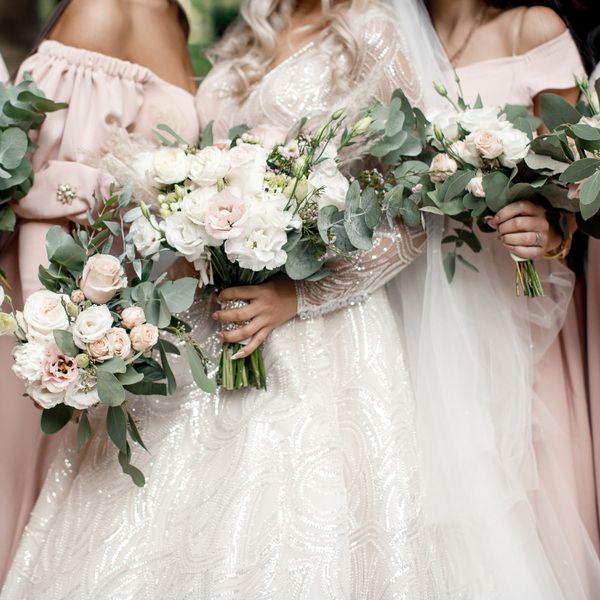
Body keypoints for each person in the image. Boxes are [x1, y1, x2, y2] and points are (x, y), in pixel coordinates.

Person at [0, 0, 197, 587]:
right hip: (64, 335)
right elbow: (45, 193)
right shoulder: (101, 10)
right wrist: (55, 355)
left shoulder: (169, 12)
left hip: (122, 321)